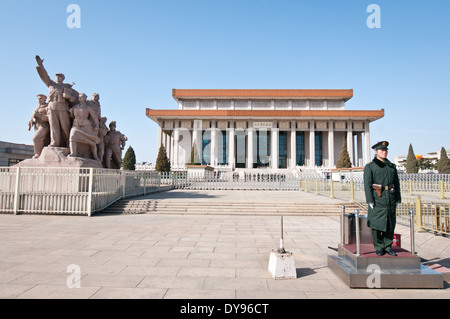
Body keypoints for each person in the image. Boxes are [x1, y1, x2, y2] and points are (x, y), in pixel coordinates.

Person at [363, 141, 401, 256]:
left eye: (385, 150)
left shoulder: (391, 166)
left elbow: (396, 183)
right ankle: (379, 246)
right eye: (382, 150)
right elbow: (367, 185)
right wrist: (370, 200)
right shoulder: (370, 167)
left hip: (390, 197)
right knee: (377, 224)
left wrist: (398, 198)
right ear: (376, 152)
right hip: (377, 197)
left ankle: (388, 246)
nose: (384, 152)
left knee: (390, 223)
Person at [35, 55, 79, 148]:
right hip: (51, 107)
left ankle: (69, 143)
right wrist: (40, 65)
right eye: (57, 76)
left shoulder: (66, 87)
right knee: (53, 126)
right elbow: (44, 76)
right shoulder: (51, 85)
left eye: (60, 77)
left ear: (63, 78)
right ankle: (55, 142)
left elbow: (75, 99)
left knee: (65, 127)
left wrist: (68, 97)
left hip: (62, 107)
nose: (58, 78)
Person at [68, 93, 100, 160]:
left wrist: (97, 125)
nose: (80, 98)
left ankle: (95, 156)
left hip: (86, 125)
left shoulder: (88, 108)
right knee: (72, 136)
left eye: (82, 97)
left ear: (85, 99)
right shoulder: (75, 107)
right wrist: (70, 112)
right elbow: (71, 116)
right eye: (79, 97)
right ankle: (73, 153)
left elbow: (94, 117)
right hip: (76, 125)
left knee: (91, 141)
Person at [28, 94, 50, 158]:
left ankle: (38, 154)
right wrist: (30, 121)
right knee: (40, 140)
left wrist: (40, 115)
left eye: (41, 98)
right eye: (38, 98)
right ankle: (39, 154)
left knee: (36, 138)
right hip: (37, 126)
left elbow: (50, 118)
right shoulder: (36, 108)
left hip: (44, 126)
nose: (39, 100)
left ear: (45, 99)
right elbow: (32, 117)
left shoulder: (47, 107)